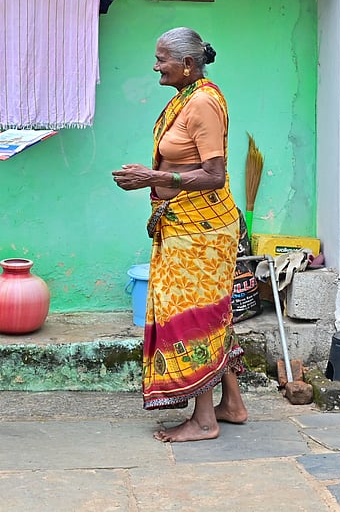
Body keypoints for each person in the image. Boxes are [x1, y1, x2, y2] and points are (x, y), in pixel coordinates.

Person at [112, 26, 249, 442]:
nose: (156, 66)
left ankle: (204, 421)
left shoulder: (202, 102)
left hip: (202, 231)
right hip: (185, 225)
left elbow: (214, 175)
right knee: (211, 311)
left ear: (187, 63)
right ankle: (232, 404)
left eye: (162, 59)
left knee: (191, 317)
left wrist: (153, 177)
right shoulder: (188, 96)